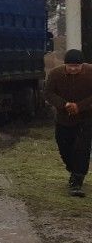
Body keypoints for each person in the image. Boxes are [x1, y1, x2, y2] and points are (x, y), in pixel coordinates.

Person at [43, 48, 92, 197]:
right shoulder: (55, 74)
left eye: (76, 66)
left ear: (82, 65)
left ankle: (77, 181)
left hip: (86, 117)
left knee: (82, 148)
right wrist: (64, 105)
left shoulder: (90, 72)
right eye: (70, 66)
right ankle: (73, 170)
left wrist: (80, 106)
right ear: (65, 65)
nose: (73, 69)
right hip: (64, 117)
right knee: (64, 146)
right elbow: (48, 93)